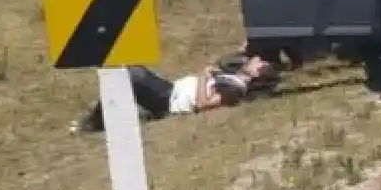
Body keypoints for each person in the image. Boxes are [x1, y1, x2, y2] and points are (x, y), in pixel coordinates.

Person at [71, 56, 272, 134]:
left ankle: (95, 122)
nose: (254, 59)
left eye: (258, 63)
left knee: (133, 75)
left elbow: (203, 104)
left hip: (169, 101)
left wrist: (204, 76)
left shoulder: (234, 89)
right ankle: (108, 115)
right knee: (133, 71)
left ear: (257, 74)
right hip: (170, 91)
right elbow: (229, 59)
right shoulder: (234, 77)